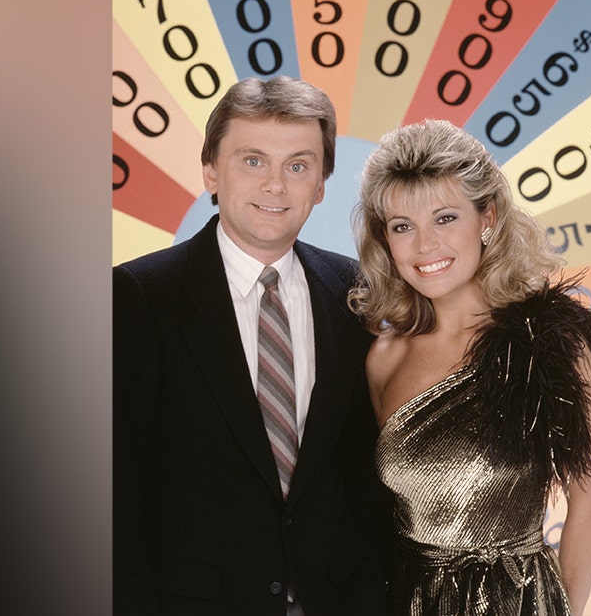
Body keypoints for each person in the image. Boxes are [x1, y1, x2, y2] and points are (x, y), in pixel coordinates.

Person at [113, 77, 389, 615]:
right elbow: (112, 497)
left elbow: (361, 475)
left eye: (298, 165)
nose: (276, 186)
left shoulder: (356, 294)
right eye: (253, 160)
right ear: (211, 171)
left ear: (322, 183)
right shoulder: (139, 298)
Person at [348, 120, 591, 616]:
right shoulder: (384, 356)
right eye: (403, 227)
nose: (424, 246)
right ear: (386, 240)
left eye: (444, 218)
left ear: (488, 217)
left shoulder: (553, 341)